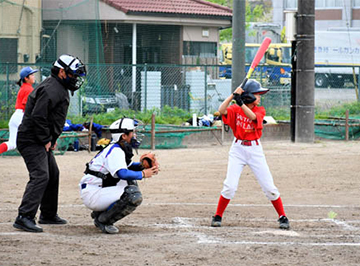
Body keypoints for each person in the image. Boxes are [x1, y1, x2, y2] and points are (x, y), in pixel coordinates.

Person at [13, 55, 86, 233]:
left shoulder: (58, 86)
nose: (75, 79)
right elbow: (38, 116)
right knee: (41, 175)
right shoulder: (52, 89)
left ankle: (48, 214)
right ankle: (24, 217)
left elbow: (52, 117)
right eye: (72, 74)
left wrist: (51, 140)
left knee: (53, 174)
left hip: (39, 138)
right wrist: (46, 139)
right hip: (31, 139)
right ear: (62, 72)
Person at [211, 79, 290, 230]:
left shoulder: (259, 110)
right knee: (230, 187)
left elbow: (253, 118)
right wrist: (233, 96)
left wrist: (240, 103)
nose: (259, 97)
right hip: (238, 149)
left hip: (255, 150)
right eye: (257, 94)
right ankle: (218, 215)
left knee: (269, 188)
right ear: (249, 96)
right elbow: (221, 111)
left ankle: (282, 216)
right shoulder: (235, 108)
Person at [79, 118, 159, 234]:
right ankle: (103, 220)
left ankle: (100, 213)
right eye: (132, 132)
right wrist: (143, 174)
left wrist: (143, 166)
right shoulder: (115, 151)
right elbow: (122, 173)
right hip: (94, 193)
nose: (135, 135)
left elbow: (129, 167)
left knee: (131, 183)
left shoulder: (118, 148)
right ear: (123, 136)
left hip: (98, 188)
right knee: (133, 195)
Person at [0, 67, 38, 154]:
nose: (34, 76)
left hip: (15, 116)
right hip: (21, 116)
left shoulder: (24, 87)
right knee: (35, 136)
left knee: (12, 144)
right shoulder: (29, 89)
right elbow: (26, 105)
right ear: (26, 78)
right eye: (32, 75)